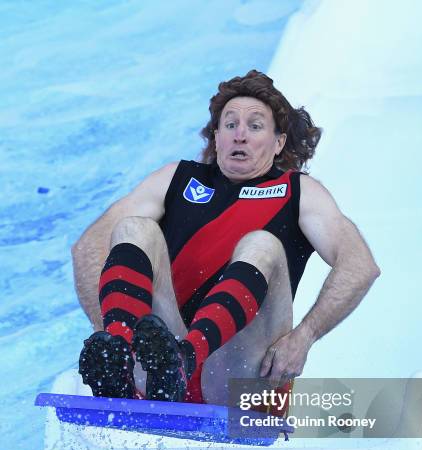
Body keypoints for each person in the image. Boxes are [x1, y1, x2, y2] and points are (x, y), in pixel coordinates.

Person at [72, 70, 380, 406]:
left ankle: (184, 358)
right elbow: (88, 246)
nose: (240, 135)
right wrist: (112, 338)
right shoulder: (177, 178)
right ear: (216, 137)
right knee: (133, 229)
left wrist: (303, 338)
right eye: (230, 125)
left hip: (240, 382)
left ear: (278, 142)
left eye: (255, 126)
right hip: (161, 372)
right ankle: (122, 362)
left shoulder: (300, 192)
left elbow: (360, 265)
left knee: (262, 244)